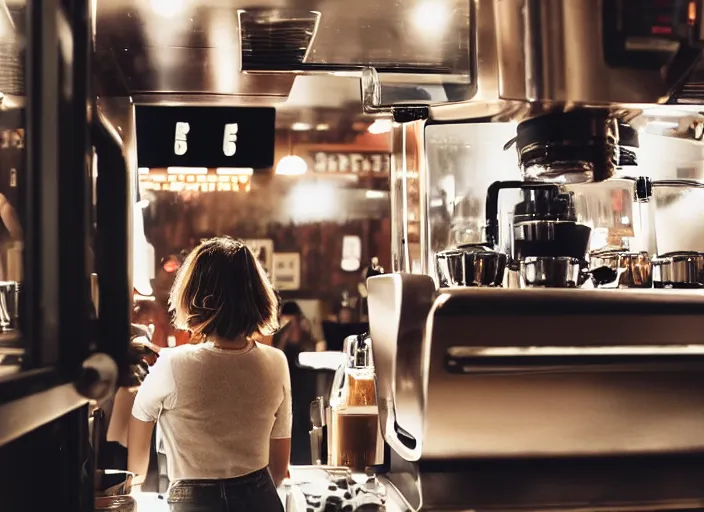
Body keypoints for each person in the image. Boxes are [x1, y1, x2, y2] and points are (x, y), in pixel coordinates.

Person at [127, 237, 290, 512]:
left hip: (195, 502)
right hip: (260, 498)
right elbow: (278, 467)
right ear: (258, 296)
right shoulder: (276, 362)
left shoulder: (173, 364)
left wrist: (135, 492)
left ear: (193, 295)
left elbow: (139, 425)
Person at [273, 301, 317, 465]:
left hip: (303, 386)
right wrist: (285, 333)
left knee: (303, 425)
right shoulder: (279, 339)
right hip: (287, 386)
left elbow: (311, 351)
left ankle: (303, 462)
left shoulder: (306, 337)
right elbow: (278, 353)